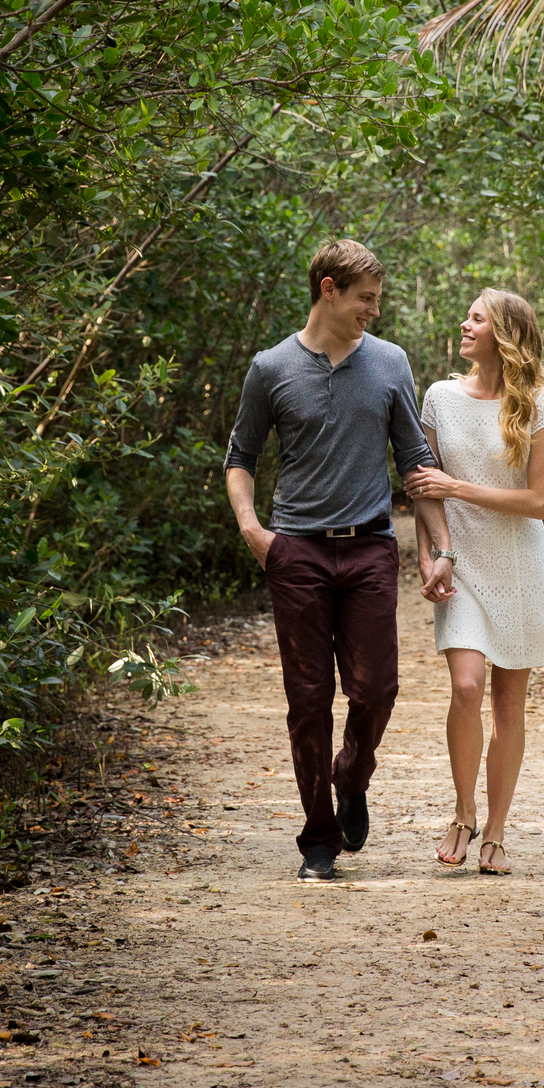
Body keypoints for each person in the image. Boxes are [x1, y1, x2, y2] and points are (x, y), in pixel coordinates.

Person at [224, 238, 456, 882]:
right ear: (328, 289)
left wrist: (440, 550)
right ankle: (318, 840)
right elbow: (240, 457)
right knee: (307, 700)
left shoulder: (389, 364)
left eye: (376, 299)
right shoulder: (270, 368)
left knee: (377, 688)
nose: (373, 311)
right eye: (365, 298)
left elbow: (417, 464)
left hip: (370, 548)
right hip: (295, 551)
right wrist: (253, 530)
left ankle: (352, 776)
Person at [404, 289, 544, 877]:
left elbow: (537, 501)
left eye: (476, 318)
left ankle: (497, 831)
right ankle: (462, 810)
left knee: (508, 706)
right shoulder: (439, 398)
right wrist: (431, 556)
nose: (464, 323)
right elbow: (421, 490)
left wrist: (458, 488)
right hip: (463, 563)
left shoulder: (540, 405)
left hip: (520, 568)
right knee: (468, 686)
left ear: (504, 332)